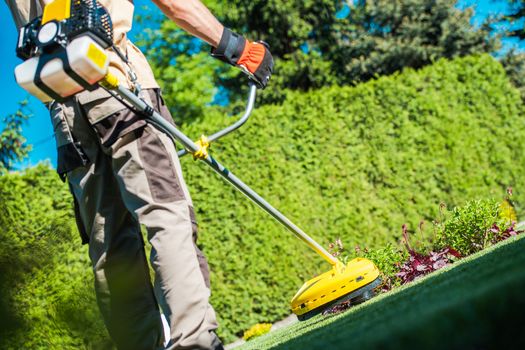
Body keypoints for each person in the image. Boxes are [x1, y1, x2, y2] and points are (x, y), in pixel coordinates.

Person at [4, 0, 274, 349]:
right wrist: (236, 47)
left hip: (64, 113)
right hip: (116, 83)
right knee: (166, 215)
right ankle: (194, 342)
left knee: (111, 249)